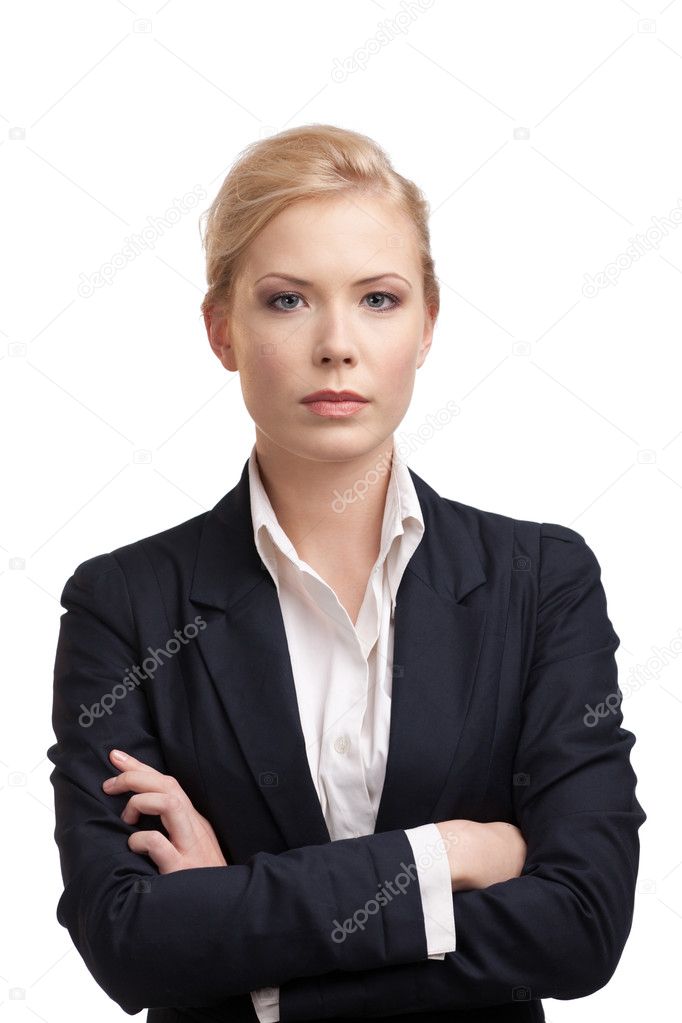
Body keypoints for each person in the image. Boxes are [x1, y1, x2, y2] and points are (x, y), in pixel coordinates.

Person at [47, 123, 646, 1023]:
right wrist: (447, 855)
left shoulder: (542, 580)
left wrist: (247, 949)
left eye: (378, 298)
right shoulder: (124, 605)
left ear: (427, 324)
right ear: (221, 330)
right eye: (288, 301)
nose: (336, 344)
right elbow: (130, 941)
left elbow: (581, 925)